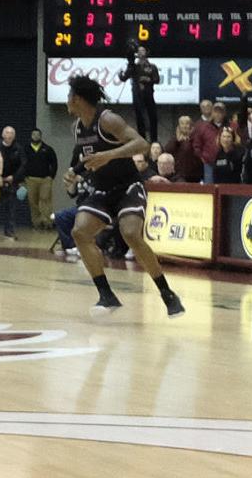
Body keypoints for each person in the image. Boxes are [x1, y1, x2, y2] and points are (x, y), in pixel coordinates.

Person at [64, 74, 184, 320]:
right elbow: (84, 156)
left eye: (69, 96)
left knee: (130, 233)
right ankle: (106, 295)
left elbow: (142, 144)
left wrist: (110, 155)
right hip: (101, 190)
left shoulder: (107, 119)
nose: (67, 101)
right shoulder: (77, 127)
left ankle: (167, 294)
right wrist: (73, 172)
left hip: (128, 186)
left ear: (76, 98)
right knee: (80, 232)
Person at [22, 127, 59, 229]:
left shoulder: (48, 149)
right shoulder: (26, 149)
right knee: (33, 202)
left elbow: (54, 163)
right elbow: (22, 163)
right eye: (34, 135)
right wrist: (24, 177)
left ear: (41, 136)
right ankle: (37, 224)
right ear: (31, 136)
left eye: (38, 135)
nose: (36, 136)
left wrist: (51, 176)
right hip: (30, 180)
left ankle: (48, 223)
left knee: (45, 200)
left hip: (45, 180)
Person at [121, 47, 160, 140]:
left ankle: (154, 140)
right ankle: (142, 140)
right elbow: (124, 77)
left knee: (152, 118)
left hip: (149, 95)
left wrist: (148, 79)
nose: (141, 52)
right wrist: (122, 72)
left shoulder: (152, 66)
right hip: (137, 96)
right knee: (140, 118)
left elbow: (157, 79)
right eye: (139, 51)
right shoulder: (134, 67)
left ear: (146, 52)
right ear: (137, 54)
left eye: (143, 50)